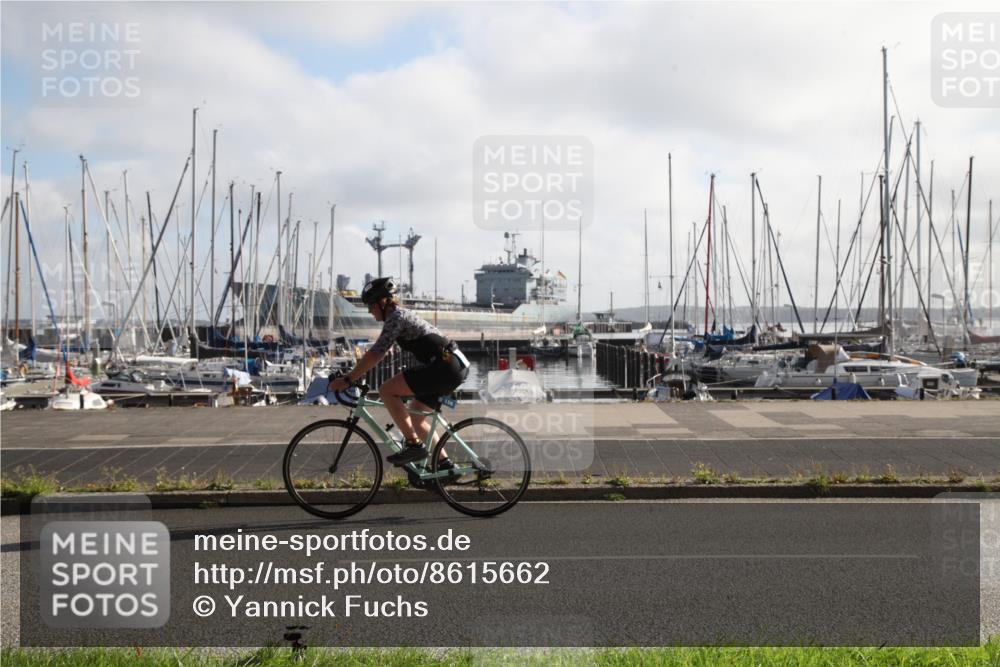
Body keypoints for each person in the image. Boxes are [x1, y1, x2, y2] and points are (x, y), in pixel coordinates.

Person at [327, 277, 469, 466]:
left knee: (387, 390)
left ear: (383, 302)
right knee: (417, 418)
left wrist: (348, 379)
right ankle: (445, 465)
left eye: (370, 305)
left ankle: (414, 446)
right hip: (451, 366)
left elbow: (376, 353)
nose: (370, 311)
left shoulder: (396, 318)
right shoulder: (398, 316)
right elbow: (377, 355)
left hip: (445, 367)